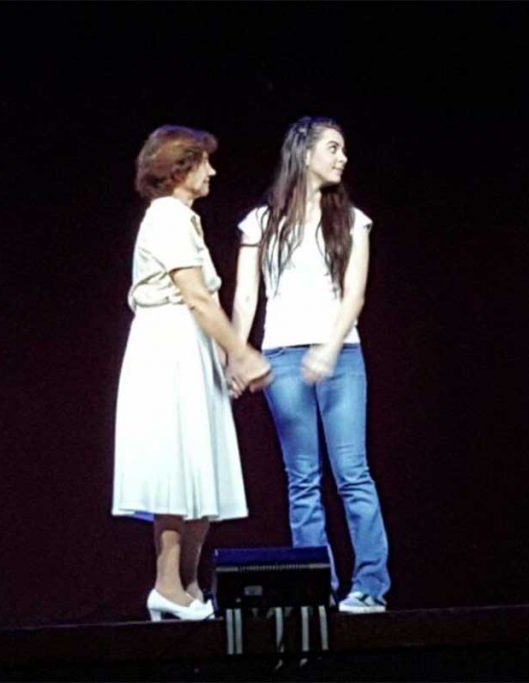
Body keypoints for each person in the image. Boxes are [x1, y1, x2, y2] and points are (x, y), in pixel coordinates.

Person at [230, 116, 390, 613]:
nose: (342, 158)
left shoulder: (352, 219)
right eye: (332, 148)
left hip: (340, 355)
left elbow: (355, 292)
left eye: (342, 149)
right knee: (302, 479)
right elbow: (246, 296)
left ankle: (370, 586)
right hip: (281, 356)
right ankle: (315, 588)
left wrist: (330, 345)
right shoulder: (260, 222)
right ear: (304, 153)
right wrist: (239, 352)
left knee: (352, 473)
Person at [112, 125, 271, 621]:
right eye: (204, 162)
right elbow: (196, 295)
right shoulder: (166, 217)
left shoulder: (185, 219)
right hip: (167, 346)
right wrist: (241, 352)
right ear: (180, 168)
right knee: (176, 462)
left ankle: (187, 584)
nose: (213, 171)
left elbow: (205, 301)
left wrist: (222, 354)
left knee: (201, 464)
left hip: (190, 344)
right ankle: (166, 584)